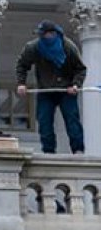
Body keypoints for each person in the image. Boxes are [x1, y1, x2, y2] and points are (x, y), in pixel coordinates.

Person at [16, 20, 87, 154]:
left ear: (53, 34)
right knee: (44, 122)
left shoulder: (68, 47)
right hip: (46, 90)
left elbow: (80, 69)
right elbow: (22, 65)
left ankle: (78, 150)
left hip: (67, 91)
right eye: (40, 35)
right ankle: (48, 151)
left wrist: (76, 84)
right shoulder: (34, 47)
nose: (42, 37)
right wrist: (21, 83)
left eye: (44, 35)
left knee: (72, 121)